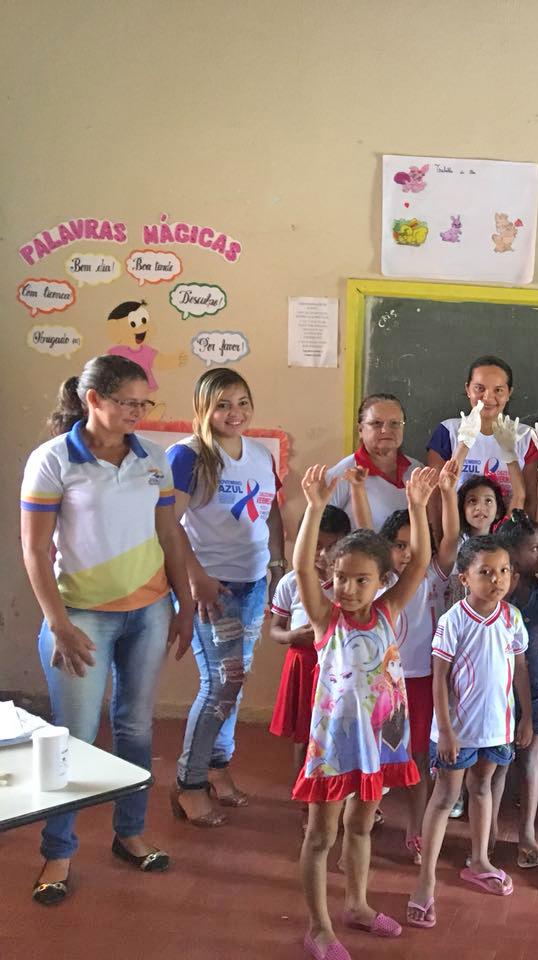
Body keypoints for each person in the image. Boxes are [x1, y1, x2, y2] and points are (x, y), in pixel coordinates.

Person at [22, 355, 195, 906]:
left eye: (145, 403)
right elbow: (33, 548)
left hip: (149, 612)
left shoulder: (154, 460)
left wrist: (184, 604)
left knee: (136, 730)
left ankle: (130, 833)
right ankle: (59, 849)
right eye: (127, 402)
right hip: (81, 617)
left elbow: (170, 536)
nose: (138, 413)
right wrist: (57, 622)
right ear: (93, 399)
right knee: (72, 739)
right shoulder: (53, 460)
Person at [292, 464, 435, 956]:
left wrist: (417, 507)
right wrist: (314, 509)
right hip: (336, 742)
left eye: (361, 580)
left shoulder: (388, 611)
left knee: (360, 825)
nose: (348, 588)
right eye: (341, 578)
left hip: (378, 740)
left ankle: (357, 903)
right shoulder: (323, 618)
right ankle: (319, 927)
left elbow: (418, 564)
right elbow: (298, 569)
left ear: (380, 582)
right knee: (321, 833)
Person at [167, 368, 285, 826]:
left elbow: (271, 514)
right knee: (219, 685)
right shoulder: (188, 457)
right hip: (211, 590)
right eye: (222, 405)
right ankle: (189, 783)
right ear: (204, 408)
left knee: (233, 685)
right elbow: (168, 526)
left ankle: (217, 768)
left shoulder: (259, 454)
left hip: (252, 584)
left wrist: (276, 565)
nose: (234, 413)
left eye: (242, 402)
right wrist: (194, 577)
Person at [408, 535, 533, 927]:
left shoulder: (512, 618)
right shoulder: (453, 621)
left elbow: (521, 670)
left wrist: (526, 716)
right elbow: (439, 679)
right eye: (485, 572)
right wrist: (444, 731)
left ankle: (479, 861)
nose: (496, 580)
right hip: (457, 730)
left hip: (496, 728)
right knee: (445, 797)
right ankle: (425, 880)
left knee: (482, 788)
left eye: (503, 572)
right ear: (464, 577)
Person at [375, 459, 460, 866]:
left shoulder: (431, 576)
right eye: (398, 545)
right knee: (378, 752)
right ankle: (364, 815)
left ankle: (416, 827)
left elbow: (452, 537)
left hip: (422, 680)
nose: (407, 554)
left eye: (414, 544)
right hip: (385, 684)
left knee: (418, 758)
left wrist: (441, 495)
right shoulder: (377, 582)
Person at [491, 511, 538, 869]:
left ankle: (527, 832)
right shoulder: (494, 595)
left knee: (529, 760)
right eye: (535, 548)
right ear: (512, 553)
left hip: (535, 689)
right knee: (497, 767)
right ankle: (486, 832)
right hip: (496, 695)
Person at [268, 506, 351, 793]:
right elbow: (275, 629)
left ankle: (341, 792)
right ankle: (305, 795)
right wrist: (291, 634)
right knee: (304, 735)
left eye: (332, 547)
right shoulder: (291, 582)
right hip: (303, 664)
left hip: (339, 667)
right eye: (315, 545)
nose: (322, 555)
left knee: (338, 732)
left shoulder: (348, 584)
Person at [425, 356, 536, 508]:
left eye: (498, 390)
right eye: (479, 388)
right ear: (467, 389)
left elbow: (530, 501)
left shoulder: (526, 437)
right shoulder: (447, 431)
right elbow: (434, 498)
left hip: (509, 530)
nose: (488, 397)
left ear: (509, 392)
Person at [327, 393, 424, 530]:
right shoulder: (341, 475)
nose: (386, 430)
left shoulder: (417, 471)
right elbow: (322, 535)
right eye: (376, 424)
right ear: (360, 430)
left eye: (395, 424)